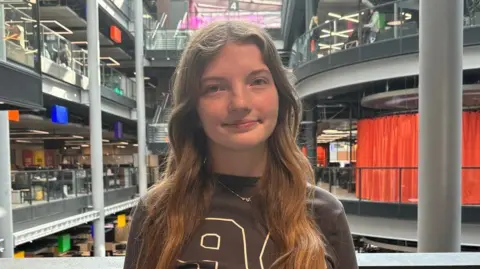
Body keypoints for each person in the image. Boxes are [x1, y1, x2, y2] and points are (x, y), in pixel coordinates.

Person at [123, 21, 357, 269]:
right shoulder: (156, 212)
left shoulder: (325, 214)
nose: (240, 103)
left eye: (257, 81)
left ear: (280, 95)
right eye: (215, 88)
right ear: (193, 110)